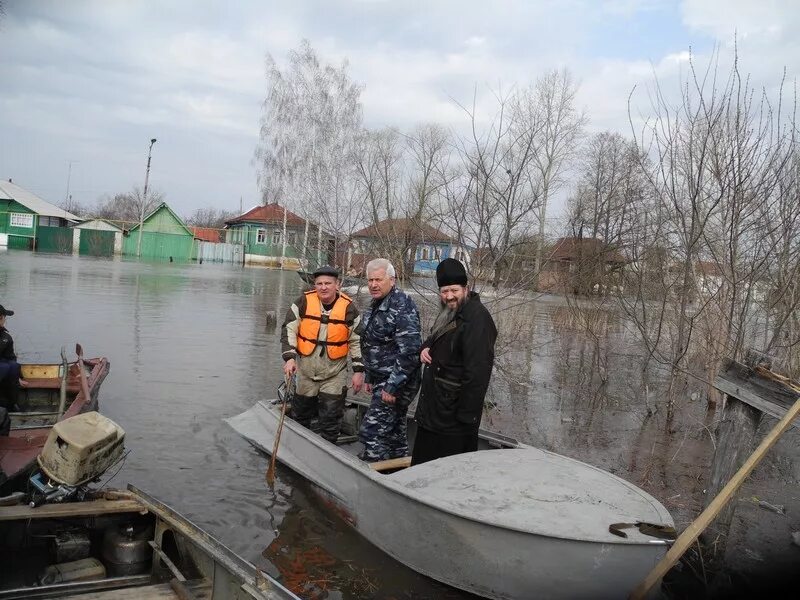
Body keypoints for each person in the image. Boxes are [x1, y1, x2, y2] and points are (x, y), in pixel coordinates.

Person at [411, 258, 497, 466]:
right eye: (444, 291)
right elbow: (434, 338)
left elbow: (477, 373)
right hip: (434, 412)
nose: (449, 296)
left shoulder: (477, 319)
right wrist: (424, 348)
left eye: (454, 290)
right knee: (424, 468)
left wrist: (466, 419)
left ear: (466, 288)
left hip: (454, 421)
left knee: (449, 472)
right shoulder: (450, 312)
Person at [281, 266, 364, 443]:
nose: (323, 287)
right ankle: (297, 446)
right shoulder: (302, 302)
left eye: (328, 283)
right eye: (319, 283)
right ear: (314, 285)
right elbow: (289, 329)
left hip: (335, 373)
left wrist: (358, 371)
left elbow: (356, 341)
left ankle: (328, 448)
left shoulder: (349, 308)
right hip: (306, 371)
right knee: (300, 415)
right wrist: (289, 359)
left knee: (331, 418)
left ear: (337, 285)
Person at [358, 258, 422, 461]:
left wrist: (392, 387)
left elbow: (410, 352)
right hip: (382, 378)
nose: (373, 285)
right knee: (394, 429)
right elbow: (372, 343)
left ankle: (372, 470)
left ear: (392, 280)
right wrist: (369, 376)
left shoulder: (402, 304)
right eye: (370, 280)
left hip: (398, 381)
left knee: (372, 431)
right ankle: (395, 466)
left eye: (378, 279)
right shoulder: (376, 304)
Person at [0, 305, 21, 436]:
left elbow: (11, 358)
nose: (4, 320)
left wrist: (19, 377)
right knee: (5, 367)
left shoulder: (6, 338)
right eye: (4, 317)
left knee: (13, 367)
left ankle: (11, 403)